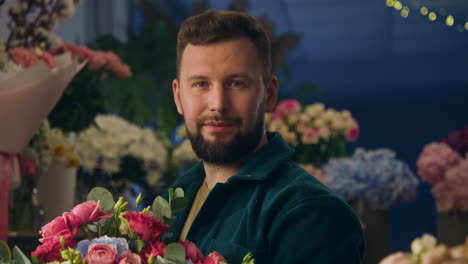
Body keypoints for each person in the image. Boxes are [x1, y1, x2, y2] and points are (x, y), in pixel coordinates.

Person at [167, 10, 365, 264]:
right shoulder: (172, 200)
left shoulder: (311, 212)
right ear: (178, 96)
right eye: (200, 84)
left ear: (269, 94)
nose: (217, 104)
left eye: (236, 83)